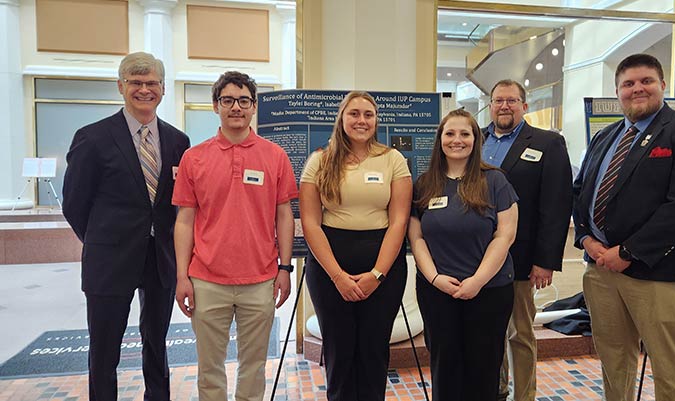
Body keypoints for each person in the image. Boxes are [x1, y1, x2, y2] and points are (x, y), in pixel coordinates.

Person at [573, 53, 675, 401]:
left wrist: (628, 252)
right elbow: (580, 192)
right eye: (628, 84)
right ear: (617, 91)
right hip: (602, 272)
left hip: (659, 274)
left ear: (663, 85)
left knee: (672, 369)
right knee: (614, 360)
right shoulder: (605, 137)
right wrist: (586, 239)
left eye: (646, 81)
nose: (637, 89)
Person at [62, 52, 190, 401]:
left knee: (157, 343)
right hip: (109, 262)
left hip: (161, 259)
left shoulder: (179, 141)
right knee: (104, 351)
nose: (144, 89)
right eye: (136, 83)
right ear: (121, 86)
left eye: (151, 83)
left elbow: (180, 203)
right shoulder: (93, 138)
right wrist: (102, 241)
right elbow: (74, 203)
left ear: (163, 88)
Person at [172, 71, 297, 401]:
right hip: (207, 281)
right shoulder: (194, 158)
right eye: (228, 100)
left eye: (244, 101)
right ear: (216, 106)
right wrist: (182, 276)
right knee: (209, 368)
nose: (236, 108)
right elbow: (184, 221)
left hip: (261, 281)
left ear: (254, 106)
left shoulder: (275, 156)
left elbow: (284, 214)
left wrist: (285, 269)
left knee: (253, 366)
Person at [299, 91, 412, 401]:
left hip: (384, 264)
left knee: (374, 351)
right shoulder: (319, 160)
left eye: (368, 115)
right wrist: (337, 276)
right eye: (354, 113)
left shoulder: (393, 159)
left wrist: (377, 274)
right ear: (342, 118)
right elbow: (310, 223)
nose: (361, 120)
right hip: (329, 267)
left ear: (376, 121)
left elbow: (399, 222)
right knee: (340, 352)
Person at [409, 109, 518, 401]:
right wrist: (433, 278)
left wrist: (478, 281)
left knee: (483, 370)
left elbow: (505, 235)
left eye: (465, 133)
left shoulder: (495, 181)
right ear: (440, 139)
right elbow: (416, 237)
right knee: (445, 368)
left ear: (475, 139)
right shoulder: (424, 184)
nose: (457, 140)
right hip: (438, 292)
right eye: (450, 133)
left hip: (489, 291)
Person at [481, 79, 573, 401]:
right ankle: (496, 391)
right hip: (477, 260)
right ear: (490, 105)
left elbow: (557, 205)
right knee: (489, 333)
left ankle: (524, 396)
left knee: (519, 333)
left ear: (524, 105)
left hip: (521, 260)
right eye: (498, 100)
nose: (504, 106)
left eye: (511, 100)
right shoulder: (475, 139)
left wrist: (545, 261)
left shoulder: (548, 143)